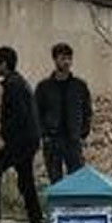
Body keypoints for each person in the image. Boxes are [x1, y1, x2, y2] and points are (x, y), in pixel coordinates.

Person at [0, 47, 44, 223]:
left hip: (21, 141)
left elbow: (19, 116)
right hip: (26, 140)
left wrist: (8, 137)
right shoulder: (16, 82)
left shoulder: (14, 85)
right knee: (26, 182)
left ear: (4, 64)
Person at [34, 42, 92, 183]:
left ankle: (76, 205)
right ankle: (57, 205)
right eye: (62, 58)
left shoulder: (79, 86)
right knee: (55, 179)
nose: (66, 62)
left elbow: (87, 111)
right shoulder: (44, 87)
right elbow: (35, 113)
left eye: (69, 58)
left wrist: (82, 133)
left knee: (78, 178)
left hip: (73, 139)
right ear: (55, 60)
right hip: (52, 140)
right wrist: (44, 134)